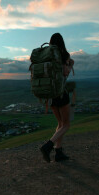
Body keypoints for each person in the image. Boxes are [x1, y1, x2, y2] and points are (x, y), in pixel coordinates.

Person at [40, 33, 76, 162]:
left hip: (50, 94)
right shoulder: (63, 55)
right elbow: (65, 72)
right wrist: (70, 64)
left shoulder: (46, 56)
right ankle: (48, 146)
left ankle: (58, 152)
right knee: (66, 125)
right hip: (61, 92)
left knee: (60, 123)